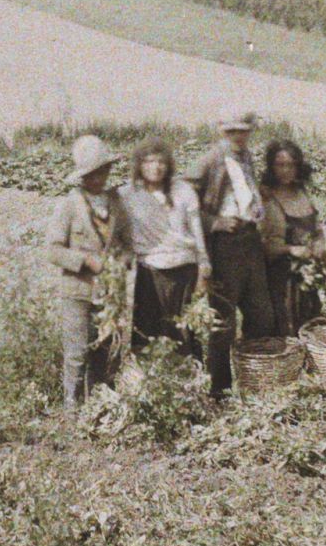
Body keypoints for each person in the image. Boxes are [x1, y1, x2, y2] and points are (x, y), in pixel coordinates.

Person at [189, 109, 276, 398]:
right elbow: (184, 201)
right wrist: (213, 222)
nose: (239, 136)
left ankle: (256, 383)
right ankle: (220, 389)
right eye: (232, 131)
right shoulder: (210, 160)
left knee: (259, 312)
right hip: (225, 244)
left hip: (250, 241)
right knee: (223, 320)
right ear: (221, 131)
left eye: (244, 130)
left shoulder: (247, 157)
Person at [46, 135, 135, 410]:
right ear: (83, 176)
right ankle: (72, 409)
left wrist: (121, 261)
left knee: (107, 350)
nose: (98, 178)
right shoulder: (69, 205)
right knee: (76, 353)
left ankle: (101, 406)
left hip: (109, 292)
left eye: (102, 172)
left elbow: (128, 244)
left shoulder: (116, 202)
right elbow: (53, 250)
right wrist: (86, 260)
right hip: (78, 291)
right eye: (92, 174)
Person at [119, 138, 209, 355]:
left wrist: (205, 265)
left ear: (169, 165)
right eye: (149, 162)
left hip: (184, 270)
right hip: (149, 272)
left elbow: (197, 231)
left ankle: (190, 383)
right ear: (139, 165)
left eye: (161, 162)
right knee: (148, 334)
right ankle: (151, 384)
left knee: (184, 332)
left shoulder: (183, 191)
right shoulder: (127, 194)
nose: (155, 167)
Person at [260, 138, 326, 338]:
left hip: (308, 277)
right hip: (282, 279)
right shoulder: (266, 198)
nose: (285, 170)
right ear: (271, 167)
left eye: (290, 165)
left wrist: (319, 244)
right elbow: (263, 246)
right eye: (280, 165)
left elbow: (317, 229)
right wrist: (291, 250)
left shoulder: (302, 194)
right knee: (286, 328)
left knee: (312, 324)